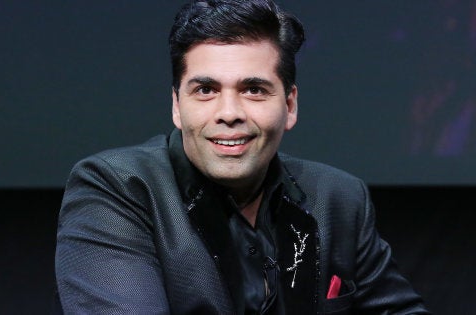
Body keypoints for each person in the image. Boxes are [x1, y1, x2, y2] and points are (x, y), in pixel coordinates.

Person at [55, 0, 430, 313]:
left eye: (253, 89)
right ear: (176, 106)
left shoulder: (338, 197)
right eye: (205, 89)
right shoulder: (116, 188)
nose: (229, 112)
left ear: (290, 105)